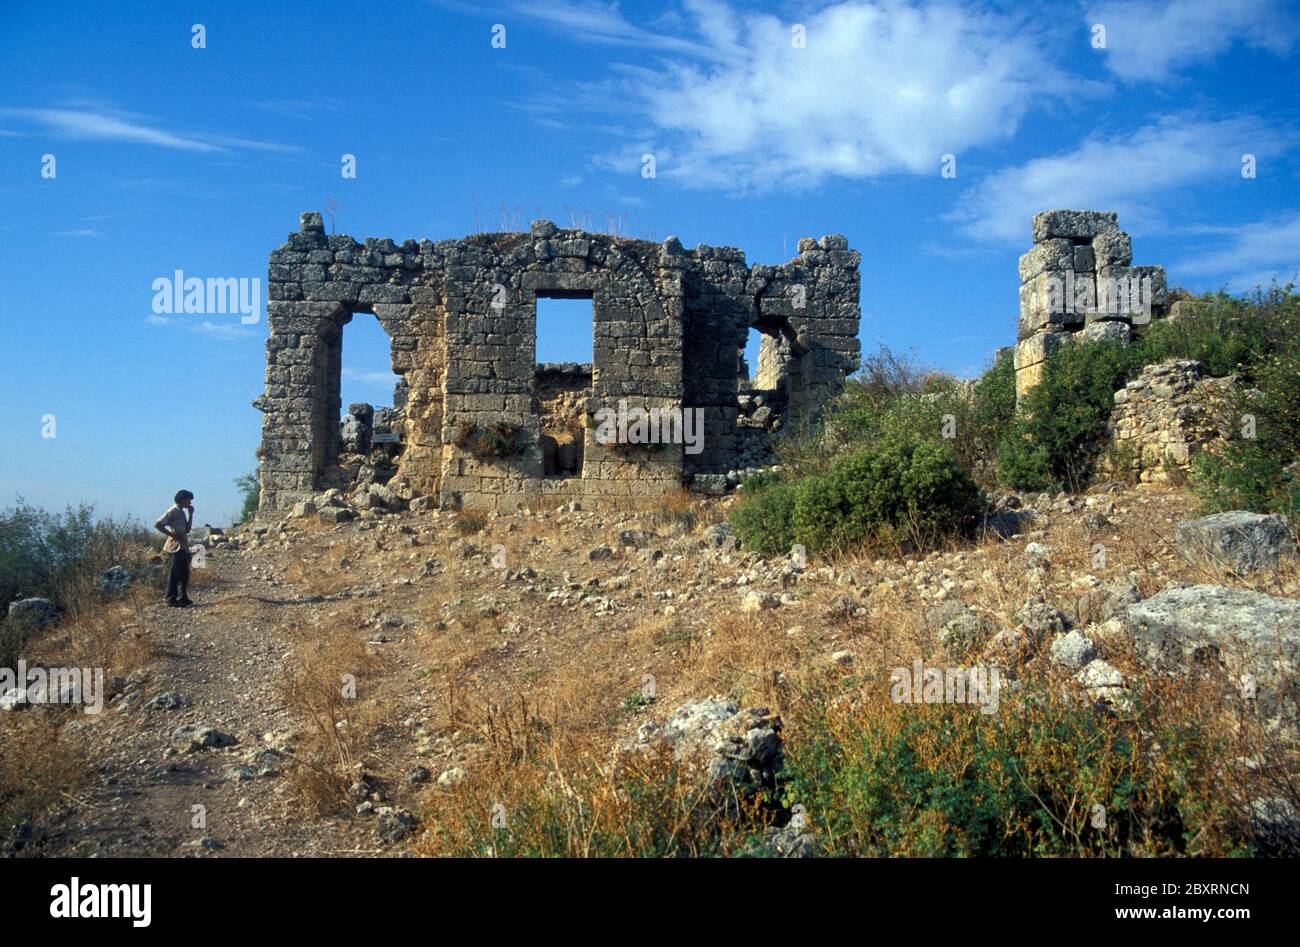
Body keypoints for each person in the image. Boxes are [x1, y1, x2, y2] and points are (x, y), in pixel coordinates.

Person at [154, 490, 195, 607]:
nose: (190, 502)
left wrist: (191, 514)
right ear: (183, 499)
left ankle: (183, 597)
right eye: (189, 499)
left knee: (184, 573)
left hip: (183, 546)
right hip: (175, 546)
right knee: (174, 573)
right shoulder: (172, 511)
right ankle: (171, 598)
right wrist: (172, 535)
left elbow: (187, 529)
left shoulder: (182, 512)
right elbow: (158, 524)